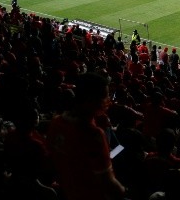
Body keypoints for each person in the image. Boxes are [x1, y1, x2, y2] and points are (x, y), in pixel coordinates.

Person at [46, 72, 127, 200]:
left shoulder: (56, 122)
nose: (108, 100)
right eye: (105, 96)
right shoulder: (93, 134)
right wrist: (125, 192)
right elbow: (109, 184)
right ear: (91, 99)